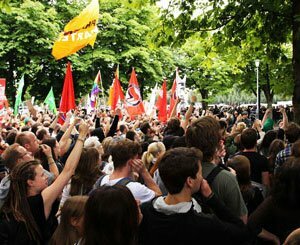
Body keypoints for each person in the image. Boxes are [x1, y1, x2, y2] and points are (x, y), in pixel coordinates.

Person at [139, 147, 255, 245]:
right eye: (200, 173)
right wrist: (211, 198)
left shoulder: (144, 211)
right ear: (190, 181)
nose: (201, 177)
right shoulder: (205, 224)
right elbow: (242, 230)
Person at [0, 120, 89, 244]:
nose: (46, 177)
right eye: (42, 175)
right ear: (30, 182)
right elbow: (68, 171)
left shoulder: (12, 204)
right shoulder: (40, 202)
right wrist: (82, 137)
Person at [185, 116, 248, 223]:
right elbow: (242, 220)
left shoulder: (180, 170)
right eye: (220, 137)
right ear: (217, 144)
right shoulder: (227, 178)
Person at [248, 156, 300, 244]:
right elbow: (252, 224)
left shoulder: (274, 200)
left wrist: (273, 238)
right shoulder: (274, 201)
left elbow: (252, 224)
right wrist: (273, 238)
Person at [93, 139, 161, 203]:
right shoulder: (135, 188)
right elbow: (158, 196)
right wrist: (144, 172)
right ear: (131, 162)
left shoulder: (101, 180)